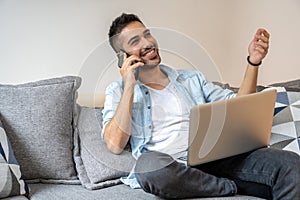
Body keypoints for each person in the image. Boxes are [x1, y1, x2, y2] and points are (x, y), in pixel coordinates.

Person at [102, 13, 299, 199]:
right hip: (173, 168)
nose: (147, 43)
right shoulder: (117, 90)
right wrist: (129, 84)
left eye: (147, 34)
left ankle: (220, 183)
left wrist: (253, 63)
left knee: (290, 163)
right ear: (122, 56)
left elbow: (240, 107)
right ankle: (229, 186)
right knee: (148, 166)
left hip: (217, 158)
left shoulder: (191, 79)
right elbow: (114, 144)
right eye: (135, 41)